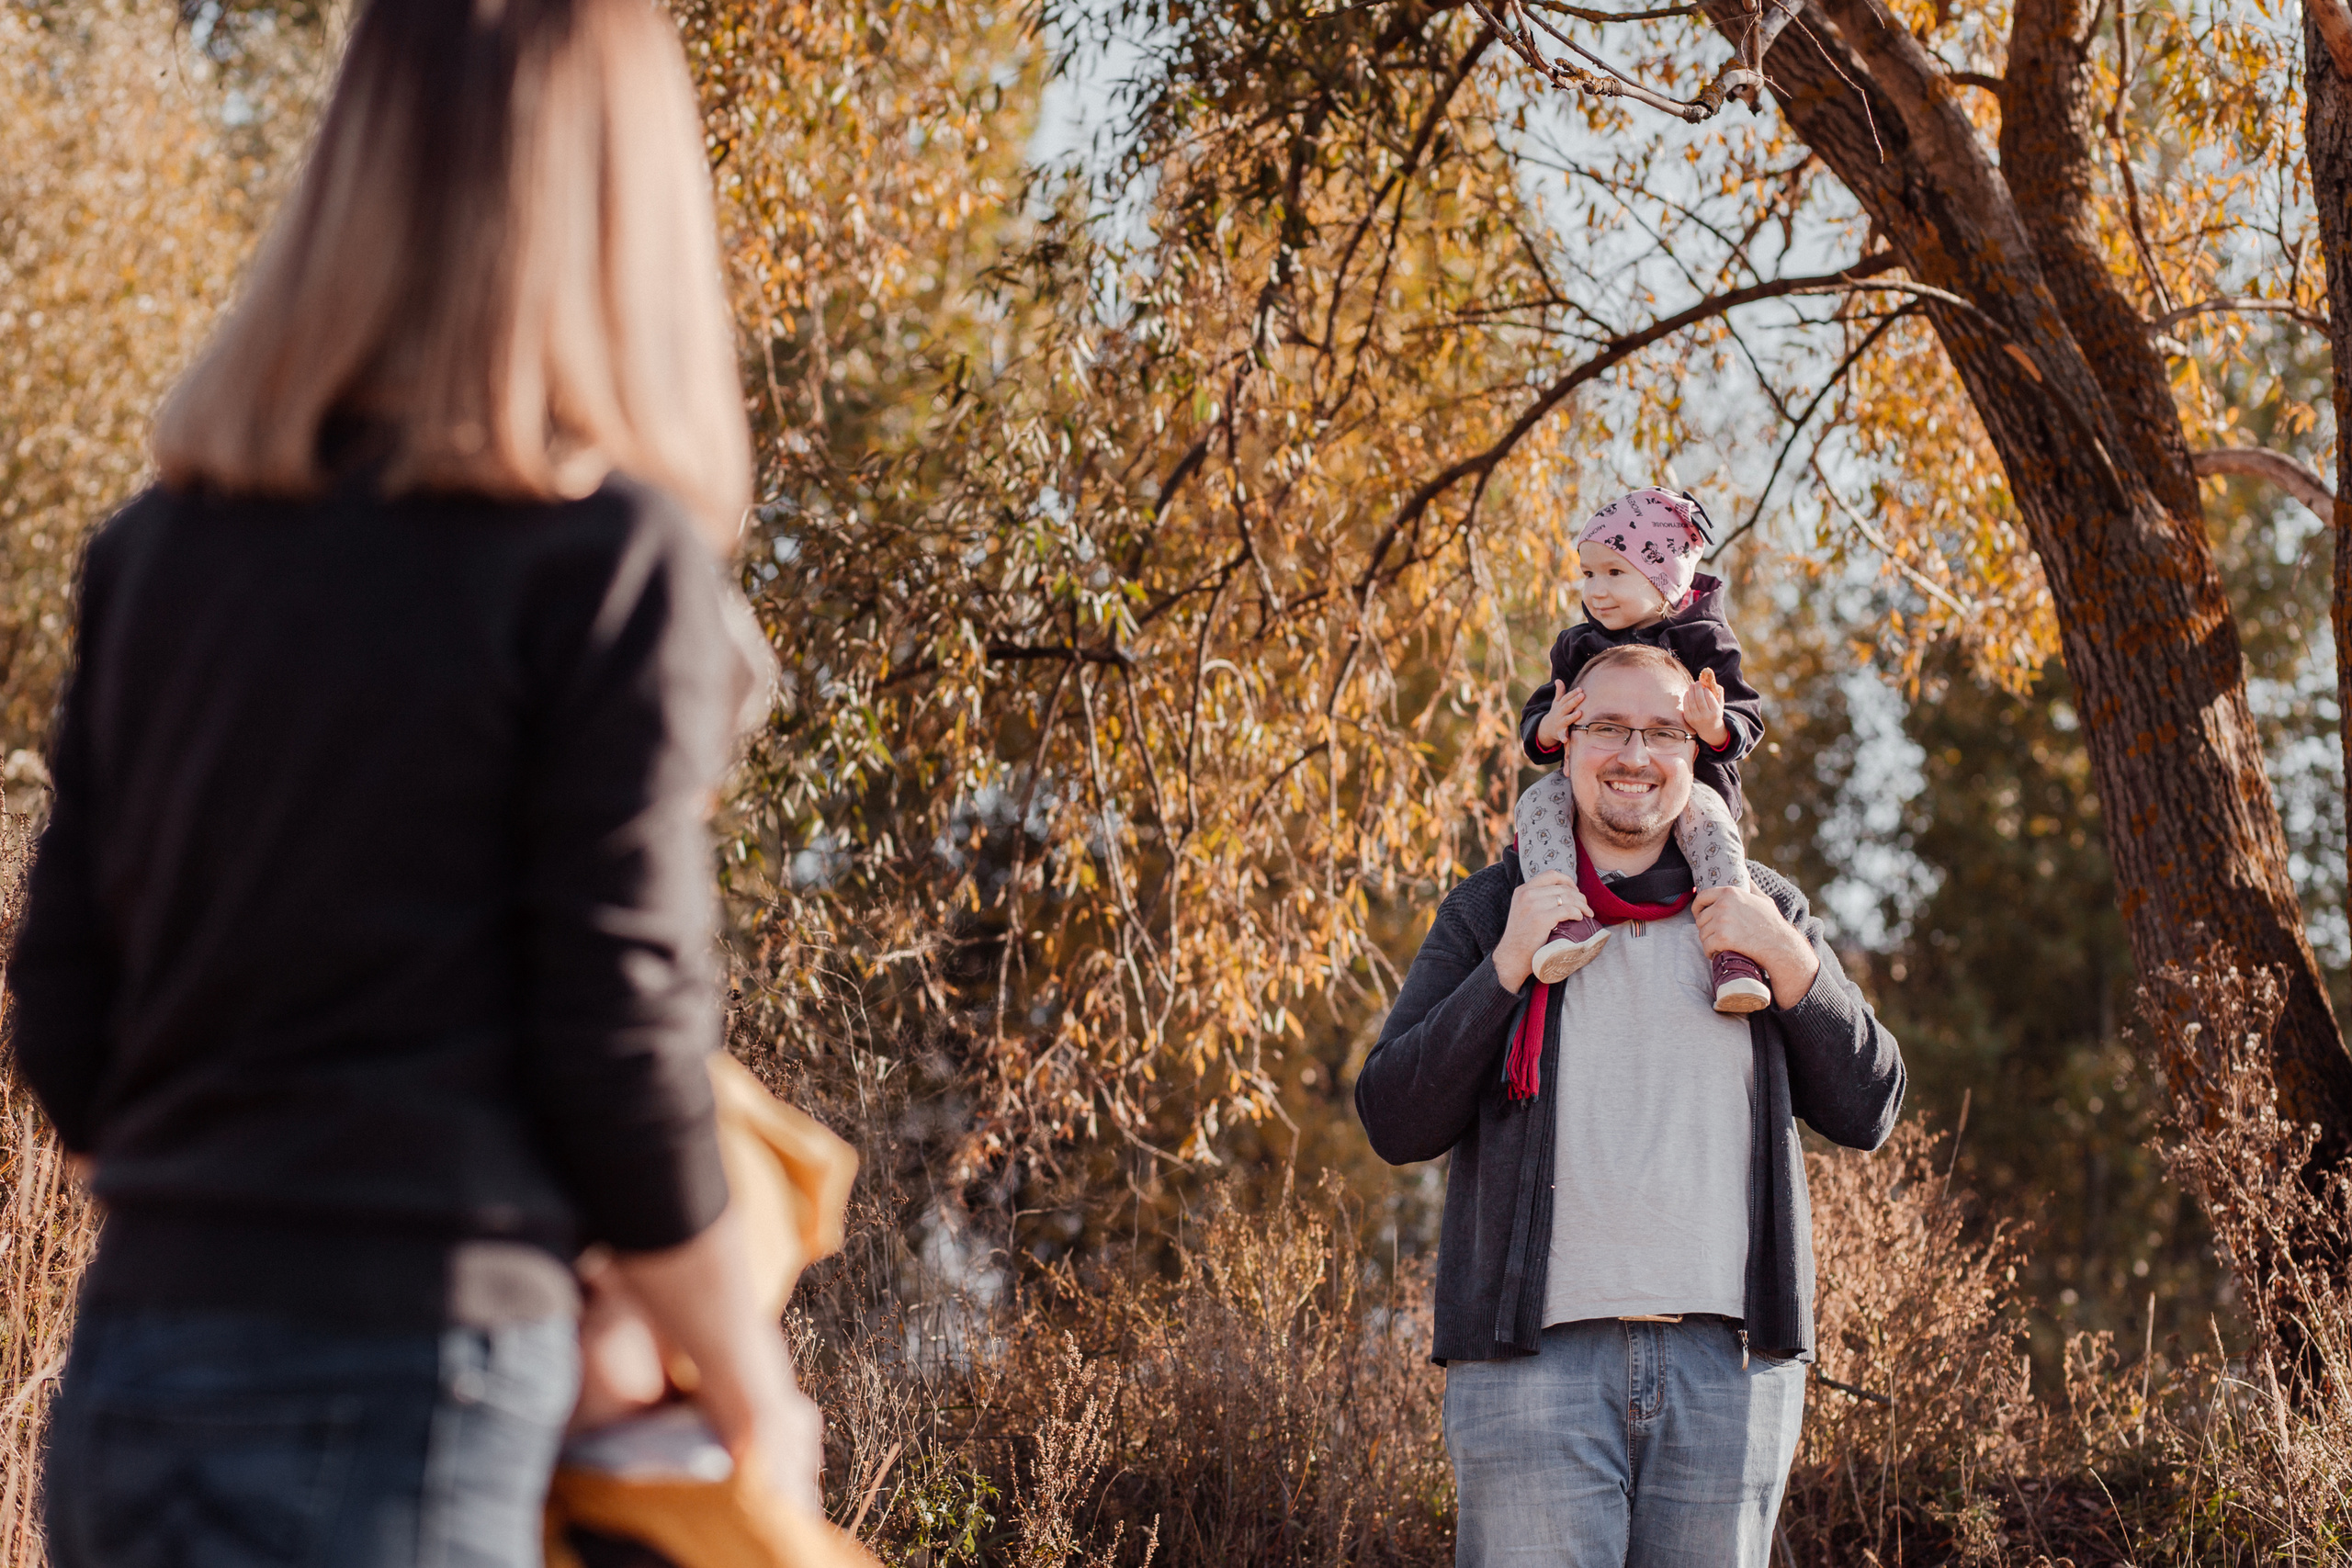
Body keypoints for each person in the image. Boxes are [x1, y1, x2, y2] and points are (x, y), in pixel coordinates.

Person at [5, 3, 820, 1564]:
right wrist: (746, 1376)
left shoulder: (157, 555)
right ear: (624, 199)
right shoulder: (603, 566)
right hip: (410, 1388)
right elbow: (616, 1029)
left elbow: (63, 1013)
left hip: (136, 1372)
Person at [1355, 643, 1904, 1568]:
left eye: (1661, 731)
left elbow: (1869, 1108)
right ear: (1564, 739)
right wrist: (1504, 970)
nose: (1633, 754)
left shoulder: (1758, 910)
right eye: (1607, 727)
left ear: (1697, 754)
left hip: (1728, 1369)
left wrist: (1790, 961)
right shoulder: (1495, 911)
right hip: (1530, 1366)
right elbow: (1393, 1119)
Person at [1512, 490, 1770, 1010]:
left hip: (1687, 787)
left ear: (1663, 576)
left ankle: (1733, 953)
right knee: (1536, 805)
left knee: (1713, 831)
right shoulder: (1578, 645)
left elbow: (1746, 719)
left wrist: (1713, 727)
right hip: (1590, 786)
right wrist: (1551, 726)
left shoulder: (1704, 641)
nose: (1596, 591)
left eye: (1614, 573)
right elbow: (1540, 717)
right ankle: (1565, 917)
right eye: (1588, 575)